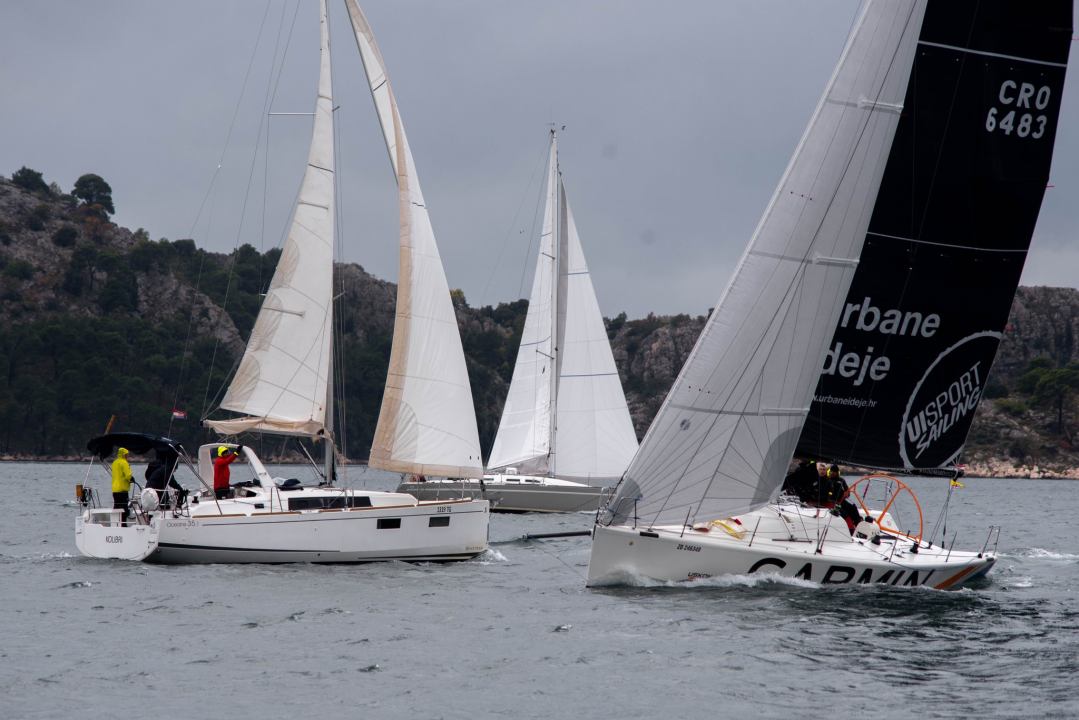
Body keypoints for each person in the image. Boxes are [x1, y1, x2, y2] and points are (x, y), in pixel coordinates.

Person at [111, 447, 133, 524]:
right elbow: (128, 475)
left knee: (116, 507)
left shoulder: (114, 463)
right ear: (124, 454)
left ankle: (115, 523)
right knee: (124, 508)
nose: (128, 455)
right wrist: (131, 479)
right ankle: (123, 524)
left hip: (115, 489)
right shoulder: (124, 462)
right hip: (122, 489)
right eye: (127, 454)